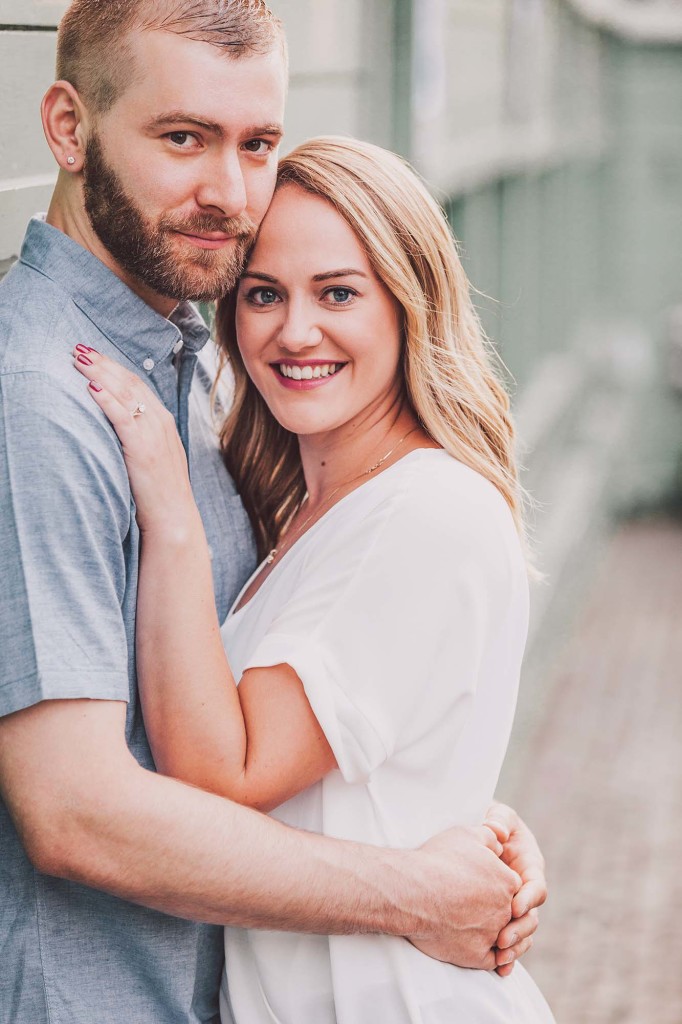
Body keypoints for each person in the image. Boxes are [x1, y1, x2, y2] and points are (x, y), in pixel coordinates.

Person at [0, 2, 545, 1022]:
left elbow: (288, 728)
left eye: (257, 144)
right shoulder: (44, 400)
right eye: (182, 138)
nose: (229, 192)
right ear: (68, 130)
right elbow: (74, 812)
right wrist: (418, 888)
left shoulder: (201, 377)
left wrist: (461, 823)